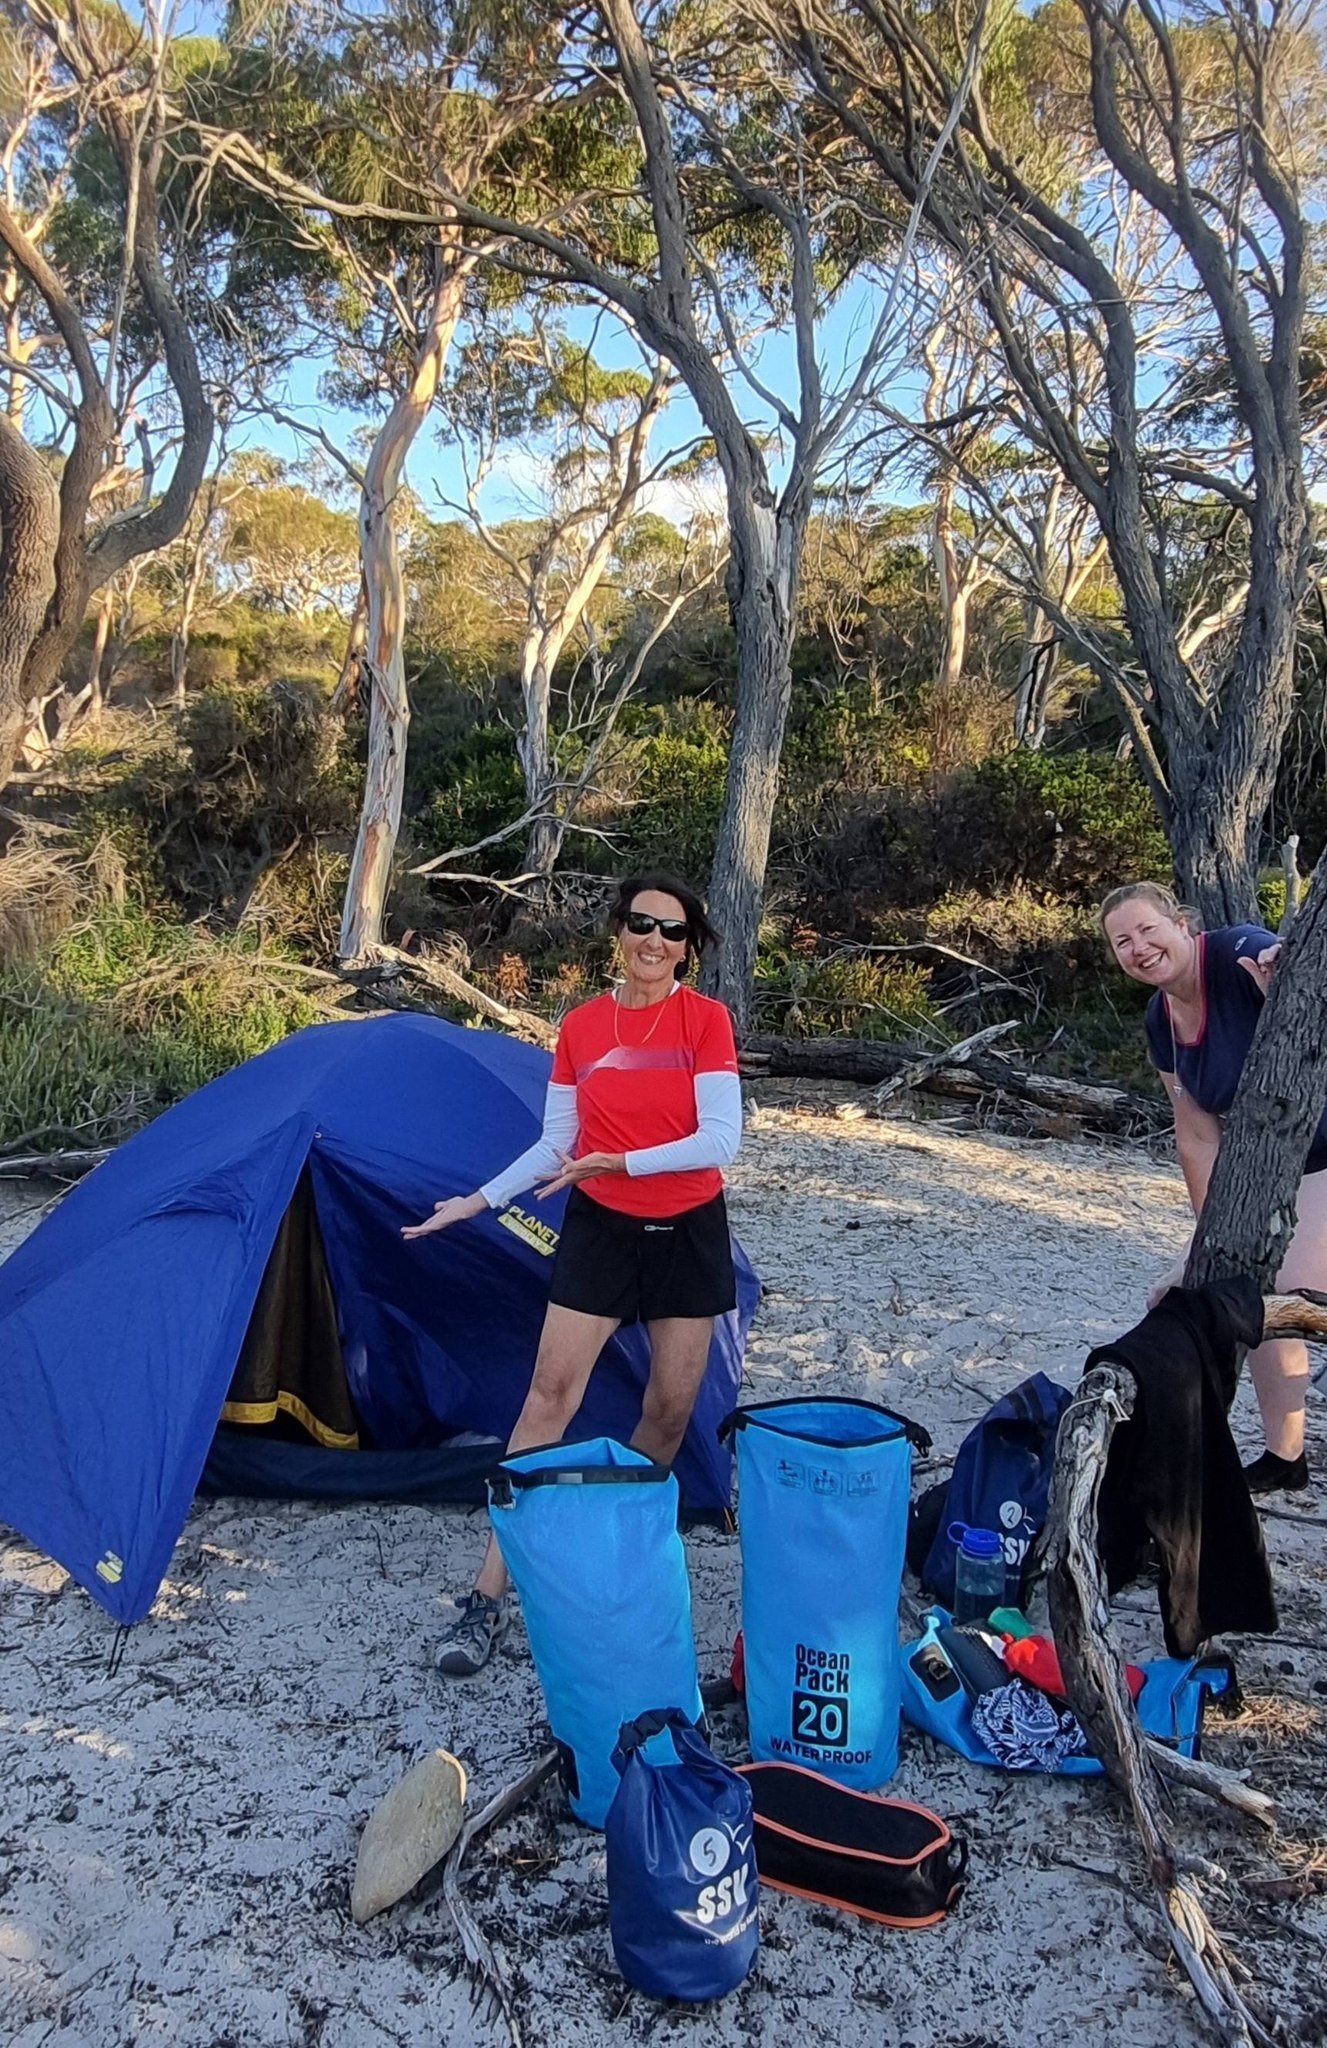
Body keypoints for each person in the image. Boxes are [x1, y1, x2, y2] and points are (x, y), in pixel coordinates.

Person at [403, 872, 743, 1674]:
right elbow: (559, 1142)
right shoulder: (583, 1027)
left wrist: (620, 1159)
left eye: (670, 931)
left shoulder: (705, 1022)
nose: (652, 941)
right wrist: (478, 1199)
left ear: (688, 949)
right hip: (600, 1230)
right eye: (639, 924)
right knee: (547, 1400)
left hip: (687, 1229)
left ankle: (620, 1564)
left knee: (666, 1413)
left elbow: (720, 1139)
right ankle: (486, 1596)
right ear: (619, 933)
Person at [1101, 880, 1327, 1493]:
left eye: (1149, 930)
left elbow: (1282, 957)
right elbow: (1197, 1136)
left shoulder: (1235, 954)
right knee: (1224, 1288)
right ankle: (1286, 1457)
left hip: (1324, 1156)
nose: (1140, 948)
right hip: (1273, 1170)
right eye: (1124, 942)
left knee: (1281, 1289)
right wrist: (1211, 1240)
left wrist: (1284, 972)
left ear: (1182, 923)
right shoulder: (1161, 1019)